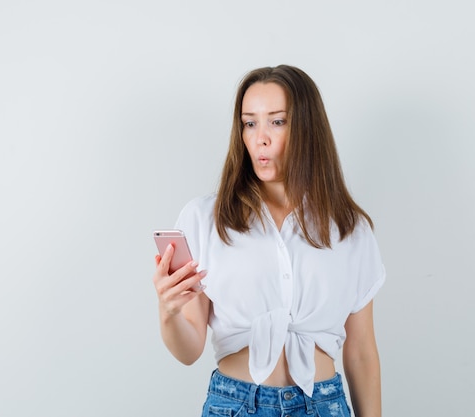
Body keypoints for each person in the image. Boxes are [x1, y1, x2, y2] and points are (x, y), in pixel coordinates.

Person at [152, 65, 385, 417]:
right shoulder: (205, 219)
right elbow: (188, 351)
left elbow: (362, 351)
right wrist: (168, 312)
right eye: (250, 123)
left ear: (308, 129)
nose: (260, 138)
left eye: (277, 121)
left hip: (323, 405)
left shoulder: (349, 228)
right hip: (234, 404)